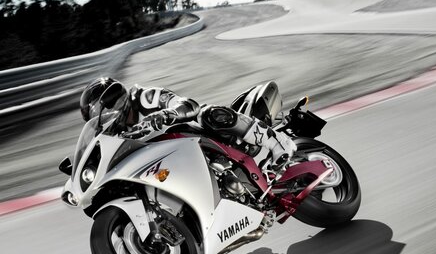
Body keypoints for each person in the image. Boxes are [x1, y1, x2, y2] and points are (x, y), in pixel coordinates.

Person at [80, 77, 296, 170]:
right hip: (177, 161)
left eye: (106, 110)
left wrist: (166, 114)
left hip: (202, 135)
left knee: (208, 113)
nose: (108, 117)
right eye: (101, 116)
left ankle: (278, 143)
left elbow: (186, 104)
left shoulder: (143, 98)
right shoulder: (119, 135)